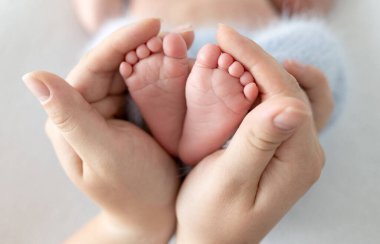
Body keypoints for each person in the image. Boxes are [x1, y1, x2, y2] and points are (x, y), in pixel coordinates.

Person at [23, 19, 328, 243]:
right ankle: (214, 134)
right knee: (310, 50)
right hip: (250, 59)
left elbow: (94, 14)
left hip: (157, 52)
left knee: (116, 41)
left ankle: (179, 135)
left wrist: (135, 222)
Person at [71, 0, 343, 165]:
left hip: (257, 52)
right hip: (161, 54)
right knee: (112, 42)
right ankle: (204, 128)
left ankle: (192, 132)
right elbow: (99, 16)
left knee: (312, 42)